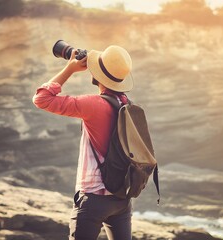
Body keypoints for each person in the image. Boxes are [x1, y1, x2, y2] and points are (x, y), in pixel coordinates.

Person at [32, 45, 134, 240]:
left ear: (99, 76)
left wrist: (69, 68)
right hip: (122, 196)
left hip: (94, 197)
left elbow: (41, 99)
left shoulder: (93, 104)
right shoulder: (126, 104)